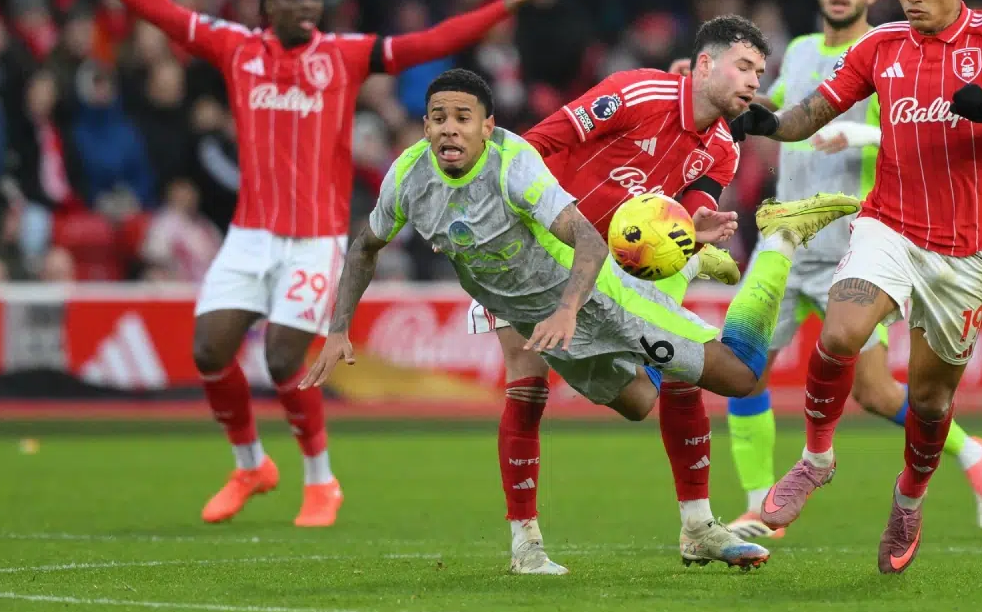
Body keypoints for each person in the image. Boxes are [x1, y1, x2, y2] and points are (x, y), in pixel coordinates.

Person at [40, 0, 555, 527]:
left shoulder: (343, 55)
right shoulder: (236, 48)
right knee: (208, 350)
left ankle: (320, 479)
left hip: (314, 238)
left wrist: (506, 4)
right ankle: (251, 465)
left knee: (283, 357)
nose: (308, 5)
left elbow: (428, 42)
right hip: (249, 235)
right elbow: (161, 11)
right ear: (267, 7)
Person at [300, 68, 861, 573]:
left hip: (597, 295)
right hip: (528, 304)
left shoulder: (515, 162)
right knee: (636, 402)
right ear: (424, 126)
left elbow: (588, 239)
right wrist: (338, 329)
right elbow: (364, 246)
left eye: (462, 118)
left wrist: (568, 308)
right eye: (439, 118)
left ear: (487, 127)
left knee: (739, 376)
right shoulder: (407, 176)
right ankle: (530, 547)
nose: (449, 128)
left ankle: (778, 239)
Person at [737, 0, 982, 573]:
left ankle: (909, 500)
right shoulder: (881, 46)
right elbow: (813, 112)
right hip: (887, 228)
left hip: (960, 254)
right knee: (840, 333)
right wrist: (769, 123)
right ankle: (816, 459)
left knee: (929, 403)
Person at [723, 0, 982, 540]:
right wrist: (733, 99)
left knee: (876, 393)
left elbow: (923, 134)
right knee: (739, 371)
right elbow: (789, 109)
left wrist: (858, 135)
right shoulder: (801, 50)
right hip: (784, 238)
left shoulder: (894, 48)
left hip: (852, 243)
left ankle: (971, 451)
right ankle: (757, 508)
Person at [478, 15, 771, 574]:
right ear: (704, 65)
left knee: (651, 393)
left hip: (613, 276)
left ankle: (698, 528)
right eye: (744, 67)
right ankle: (526, 543)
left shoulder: (723, 150)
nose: (754, 81)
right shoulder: (636, 93)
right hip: (531, 247)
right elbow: (540, 142)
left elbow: (687, 212)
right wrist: (498, 213)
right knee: (527, 377)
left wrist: (696, 229)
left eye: (760, 72)